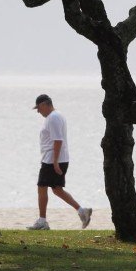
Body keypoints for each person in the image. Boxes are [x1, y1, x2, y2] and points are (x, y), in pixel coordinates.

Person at [27, 94, 92, 230]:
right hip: (53, 159)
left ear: (45, 104)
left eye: (38, 108)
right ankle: (82, 211)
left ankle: (42, 221)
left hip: (52, 160)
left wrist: (55, 162)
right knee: (57, 189)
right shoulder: (55, 116)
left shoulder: (54, 118)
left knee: (42, 187)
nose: (38, 112)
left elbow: (58, 141)